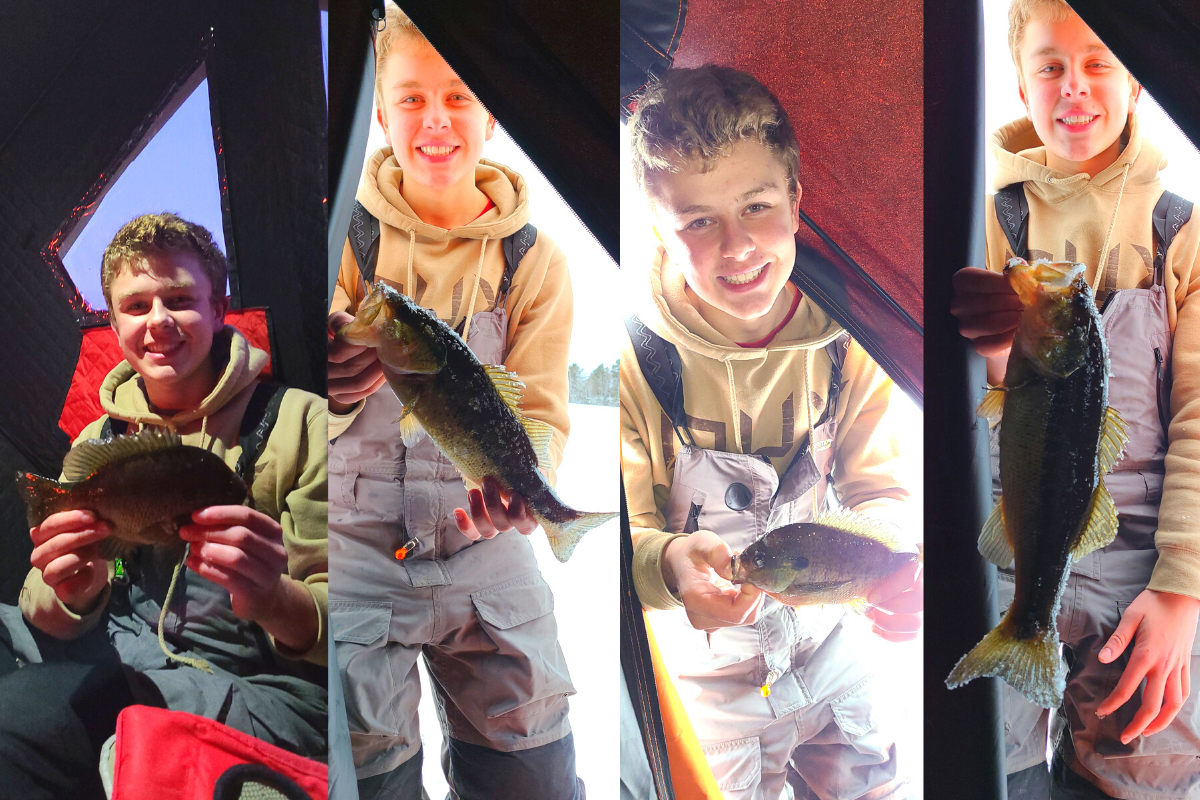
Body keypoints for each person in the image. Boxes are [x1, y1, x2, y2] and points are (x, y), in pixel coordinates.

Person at [621, 65, 922, 800]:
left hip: (832, 663)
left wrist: (893, 569)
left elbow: (879, 487)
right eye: (697, 221)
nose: (736, 247)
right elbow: (630, 534)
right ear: (656, 229)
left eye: (755, 206)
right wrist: (673, 567)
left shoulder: (853, 338)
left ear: (795, 201)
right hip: (706, 700)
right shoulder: (635, 357)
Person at [326, 6, 583, 799]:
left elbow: (537, 413)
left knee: (533, 764)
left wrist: (526, 488)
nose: (435, 120)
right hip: (355, 554)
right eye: (409, 99)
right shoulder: (342, 236)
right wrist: (327, 376)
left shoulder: (535, 262)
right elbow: (297, 406)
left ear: (494, 112)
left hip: (488, 552)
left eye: (459, 96)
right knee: (368, 766)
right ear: (378, 113)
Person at [951, 1, 1200, 797]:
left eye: (1098, 63)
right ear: (1022, 90)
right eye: (1050, 67)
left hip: (1147, 557)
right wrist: (991, 351)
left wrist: (1180, 590)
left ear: (1136, 82)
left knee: (1145, 761)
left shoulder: (1182, 235)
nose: (1075, 89)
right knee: (992, 765)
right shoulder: (983, 221)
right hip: (1011, 538)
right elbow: (971, 413)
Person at [0, 212, 328, 799]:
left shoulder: (304, 423)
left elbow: (356, 625)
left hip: (241, 686)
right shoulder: (99, 441)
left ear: (220, 305)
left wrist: (277, 599)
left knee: (22, 728)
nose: (158, 322)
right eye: (135, 306)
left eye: (179, 299)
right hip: (116, 648)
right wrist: (77, 592)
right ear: (111, 319)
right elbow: (52, 595)